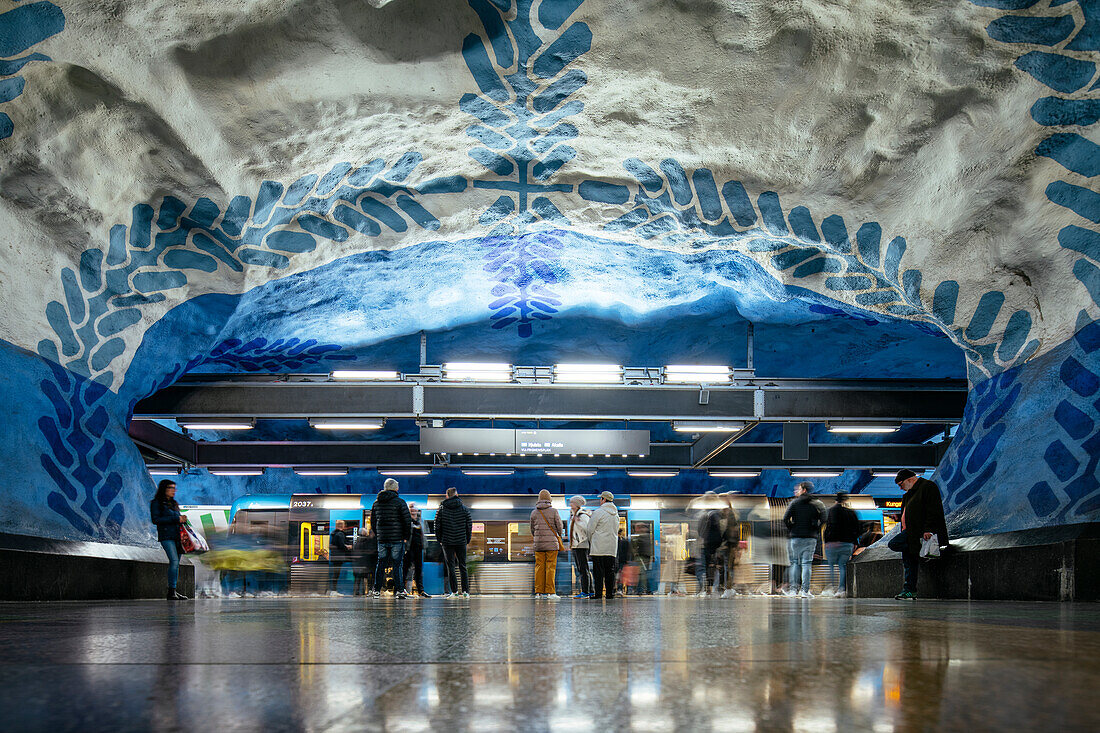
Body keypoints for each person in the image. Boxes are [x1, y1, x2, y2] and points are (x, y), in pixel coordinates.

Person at [887, 469, 949, 600]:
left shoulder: (927, 487)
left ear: (909, 479)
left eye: (900, 484)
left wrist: (929, 529)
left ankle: (914, 550)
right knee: (909, 563)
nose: (900, 488)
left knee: (894, 544)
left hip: (917, 533)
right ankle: (909, 590)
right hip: (909, 532)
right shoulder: (908, 494)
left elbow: (934, 510)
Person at [370, 478, 412, 598]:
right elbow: (407, 521)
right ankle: (399, 590)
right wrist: (405, 537)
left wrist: (379, 534)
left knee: (381, 564)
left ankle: (376, 590)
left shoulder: (376, 503)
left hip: (382, 539)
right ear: (396, 489)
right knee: (397, 565)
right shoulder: (400, 502)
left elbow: (373, 522)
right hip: (397, 539)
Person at [782, 481, 825, 598]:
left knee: (794, 563)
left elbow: (785, 519)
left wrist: (792, 529)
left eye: (799, 489)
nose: (796, 491)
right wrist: (815, 529)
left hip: (795, 537)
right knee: (806, 564)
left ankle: (793, 590)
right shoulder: (817, 503)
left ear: (804, 490)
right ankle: (805, 591)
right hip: (810, 538)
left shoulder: (794, 503)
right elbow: (824, 518)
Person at [150, 479, 189, 600]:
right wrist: (176, 519)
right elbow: (156, 520)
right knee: (174, 561)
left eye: (174, 488)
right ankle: (171, 591)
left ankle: (174, 590)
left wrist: (182, 519)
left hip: (177, 536)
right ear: (164, 489)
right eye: (171, 488)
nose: (173, 491)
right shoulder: (156, 503)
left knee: (176, 564)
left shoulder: (174, 503)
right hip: (166, 536)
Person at [436, 487, 472, 597]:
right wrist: (467, 539)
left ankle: (455, 592)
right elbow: (469, 525)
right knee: (463, 566)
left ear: (447, 496)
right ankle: (465, 592)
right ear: (457, 495)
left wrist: (440, 540)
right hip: (461, 540)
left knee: (450, 566)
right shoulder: (464, 509)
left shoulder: (441, 509)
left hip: (447, 542)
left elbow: (437, 526)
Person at [823, 492, 860, 597]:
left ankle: (831, 588)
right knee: (842, 566)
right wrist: (854, 542)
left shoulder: (830, 511)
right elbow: (857, 528)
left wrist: (827, 541)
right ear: (846, 500)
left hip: (832, 543)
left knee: (831, 566)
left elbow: (827, 527)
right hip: (847, 543)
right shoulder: (851, 512)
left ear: (836, 500)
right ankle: (841, 589)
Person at [530, 489, 564, 599]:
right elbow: (559, 527)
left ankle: (538, 592)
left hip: (538, 545)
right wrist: (558, 534)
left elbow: (532, 529)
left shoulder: (534, 512)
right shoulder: (554, 511)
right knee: (551, 567)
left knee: (539, 567)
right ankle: (550, 592)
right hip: (551, 545)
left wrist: (538, 537)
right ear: (549, 499)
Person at [587, 491, 619, 599]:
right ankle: (610, 593)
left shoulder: (598, 512)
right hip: (611, 548)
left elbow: (590, 529)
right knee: (610, 572)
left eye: (600, 499)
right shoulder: (616, 514)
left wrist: (592, 541)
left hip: (598, 548)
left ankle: (599, 594)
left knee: (598, 572)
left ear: (604, 500)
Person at [567, 495, 593, 598]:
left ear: (577, 504)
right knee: (582, 568)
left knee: (583, 569)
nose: (570, 504)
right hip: (577, 545)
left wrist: (578, 521)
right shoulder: (575, 515)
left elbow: (587, 529)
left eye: (572, 503)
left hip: (581, 545)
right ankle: (589, 590)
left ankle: (586, 591)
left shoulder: (582, 515)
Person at [403, 503, 431, 598]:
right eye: (411, 508)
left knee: (419, 569)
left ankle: (421, 590)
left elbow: (425, 534)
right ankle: (401, 589)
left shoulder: (421, 521)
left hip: (419, 548)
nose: (413, 510)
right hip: (409, 548)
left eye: (414, 508)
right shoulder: (406, 521)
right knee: (405, 569)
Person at [695, 502, 722, 596]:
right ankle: (712, 588)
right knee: (713, 568)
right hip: (713, 546)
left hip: (706, 545)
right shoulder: (716, 516)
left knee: (702, 568)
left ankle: (705, 589)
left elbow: (700, 532)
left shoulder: (704, 516)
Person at [716, 496, 741, 598]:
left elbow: (727, 531)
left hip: (727, 545)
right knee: (726, 567)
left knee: (726, 567)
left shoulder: (728, 515)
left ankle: (727, 588)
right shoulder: (727, 515)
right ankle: (726, 588)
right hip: (727, 545)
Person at [328, 520, 353, 594]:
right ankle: (334, 591)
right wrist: (348, 547)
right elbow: (341, 545)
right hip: (339, 557)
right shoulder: (340, 534)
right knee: (336, 574)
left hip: (334, 557)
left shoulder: (333, 533)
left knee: (335, 574)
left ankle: (333, 590)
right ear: (342, 526)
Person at [353, 527, 377, 596]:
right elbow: (369, 552)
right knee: (367, 577)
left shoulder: (357, 541)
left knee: (358, 578)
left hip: (357, 563)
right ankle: (366, 591)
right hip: (365, 562)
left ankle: (357, 592)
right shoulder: (367, 541)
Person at [632, 524, 654, 595]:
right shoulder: (649, 537)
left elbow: (636, 548)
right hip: (647, 557)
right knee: (646, 574)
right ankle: (648, 590)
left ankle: (641, 590)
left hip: (642, 558)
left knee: (642, 574)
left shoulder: (641, 537)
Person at [616, 527, 633, 595]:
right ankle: (624, 589)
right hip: (622, 560)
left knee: (620, 575)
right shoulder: (625, 541)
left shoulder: (618, 541)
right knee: (621, 575)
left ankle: (619, 589)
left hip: (620, 560)